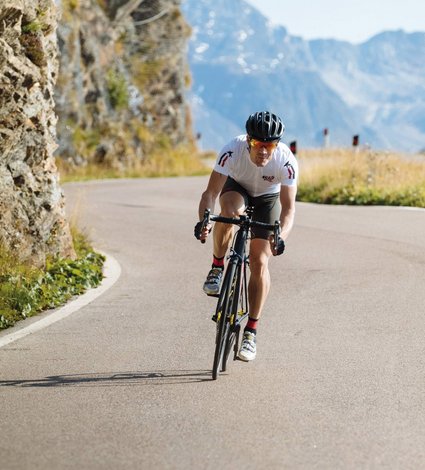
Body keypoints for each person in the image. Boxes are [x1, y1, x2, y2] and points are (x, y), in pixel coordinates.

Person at [194, 111, 298, 362]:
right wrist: (204, 221)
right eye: (257, 144)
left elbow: (288, 209)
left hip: (268, 198)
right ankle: (217, 267)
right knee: (228, 212)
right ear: (248, 141)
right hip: (237, 188)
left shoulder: (286, 161)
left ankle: (251, 331)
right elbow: (210, 194)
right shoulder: (232, 150)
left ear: (277, 145)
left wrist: (280, 236)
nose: (263, 151)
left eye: (269, 145)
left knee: (260, 261)